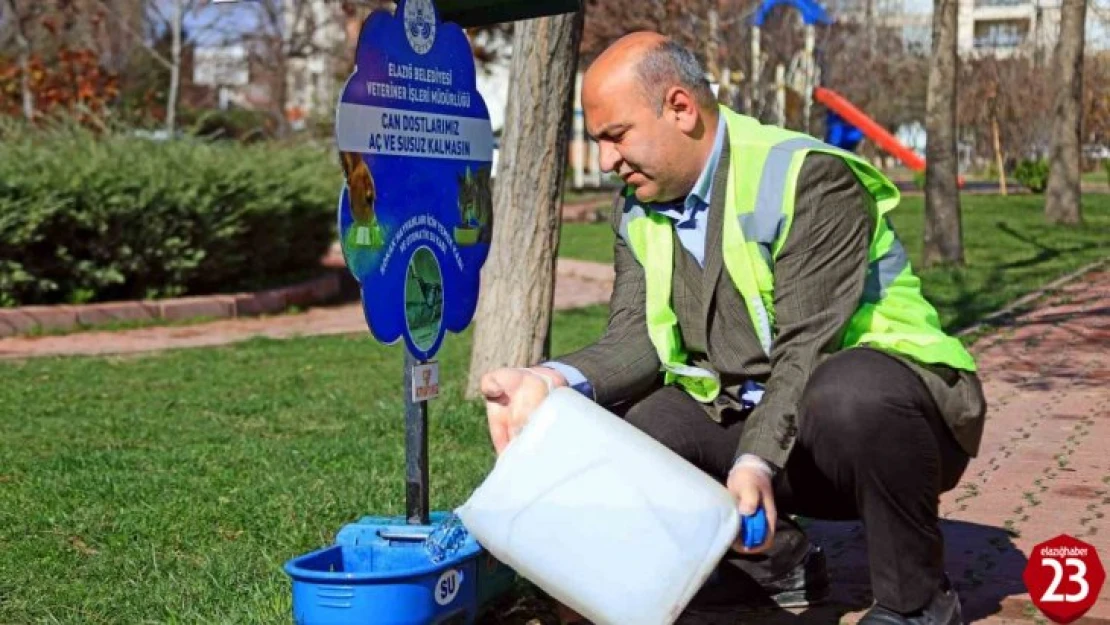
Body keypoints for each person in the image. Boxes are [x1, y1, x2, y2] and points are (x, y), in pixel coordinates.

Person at [479, 31, 986, 625]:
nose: (609, 159)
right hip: (774, 422)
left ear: (680, 108)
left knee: (847, 393)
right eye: (600, 142)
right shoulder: (637, 210)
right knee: (648, 426)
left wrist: (752, 465)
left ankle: (918, 601)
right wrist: (548, 379)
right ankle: (773, 563)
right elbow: (635, 340)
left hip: (890, 418)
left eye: (616, 136)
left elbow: (805, 351)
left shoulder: (805, 177)